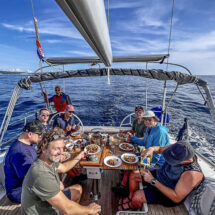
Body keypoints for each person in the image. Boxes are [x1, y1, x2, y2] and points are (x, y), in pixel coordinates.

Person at [21, 130, 101, 215]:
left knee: (77, 189)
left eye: (62, 148)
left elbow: (64, 168)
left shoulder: (48, 159)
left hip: (48, 203)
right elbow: (67, 208)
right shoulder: (40, 173)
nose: (61, 152)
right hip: (45, 211)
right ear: (44, 149)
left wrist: (79, 156)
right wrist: (88, 209)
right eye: (56, 149)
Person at [118, 141, 204, 211]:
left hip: (168, 192)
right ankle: (130, 198)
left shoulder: (191, 174)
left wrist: (152, 180)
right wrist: (151, 149)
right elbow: (159, 149)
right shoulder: (177, 149)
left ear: (186, 161)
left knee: (137, 197)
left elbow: (176, 197)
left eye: (172, 160)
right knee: (134, 173)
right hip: (160, 175)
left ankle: (133, 204)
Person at [4, 120, 44, 203]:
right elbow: (31, 178)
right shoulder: (20, 153)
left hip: (28, 183)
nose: (41, 137)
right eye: (39, 134)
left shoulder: (29, 143)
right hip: (18, 192)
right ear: (30, 134)